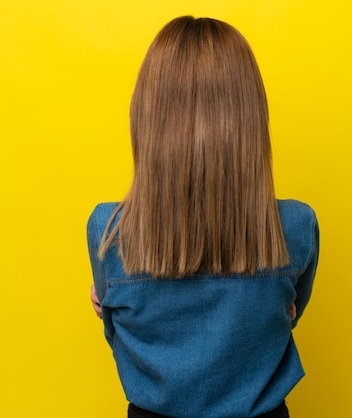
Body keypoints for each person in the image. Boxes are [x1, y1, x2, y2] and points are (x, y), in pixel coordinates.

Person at [87, 16, 319, 418]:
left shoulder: (108, 232)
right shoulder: (295, 228)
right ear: (251, 117)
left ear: (147, 115)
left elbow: (118, 334)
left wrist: (115, 303)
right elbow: (287, 317)